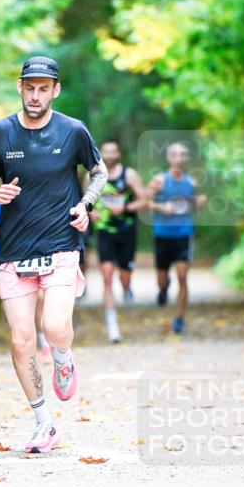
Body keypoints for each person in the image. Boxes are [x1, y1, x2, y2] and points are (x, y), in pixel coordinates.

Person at [0, 55, 107, 454]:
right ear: (19, 87)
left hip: (62, 244)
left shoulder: (73, 131)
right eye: (29, 87)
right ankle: (43, 423)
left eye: (43, 88)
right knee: (20, 340)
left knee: (54, 326)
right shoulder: (0, 133)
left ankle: (63, 357)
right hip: (14, 252)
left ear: (55, 90)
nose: (35, 95)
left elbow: (98, 172)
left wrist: (86, 206)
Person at [89, 139, 147, 343]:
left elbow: (144, 199)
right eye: (106, 152)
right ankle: (112, 327)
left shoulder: (129, 175)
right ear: (100, 153)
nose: (109, 155)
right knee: (106, 276)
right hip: (104, 231)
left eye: (113, 152)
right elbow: (83, 200)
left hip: (126, 231)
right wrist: (91, 212)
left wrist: (125, 208)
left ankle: (127, 286)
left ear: (119, 154)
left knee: (124, 276)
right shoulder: (93, 174)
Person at [0, 201, 51, 359]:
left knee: (39, 297)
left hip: (24, 253)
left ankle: (44, 344)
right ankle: (22, 341)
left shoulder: (23, 194)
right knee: (8, 297)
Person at [147, 141, 207, 334]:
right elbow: (145, 202)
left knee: (183, 276)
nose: (180, 158)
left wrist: (200, 203)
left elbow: (194, 207)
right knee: (161, 279)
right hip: (162, 234)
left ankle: (179, 319)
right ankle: (164, 288)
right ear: (169, 158)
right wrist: (160, 207)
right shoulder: (160, 180)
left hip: (184, 233)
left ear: (187, 159)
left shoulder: (192, 182)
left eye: (183, 155)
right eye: (176, 155)